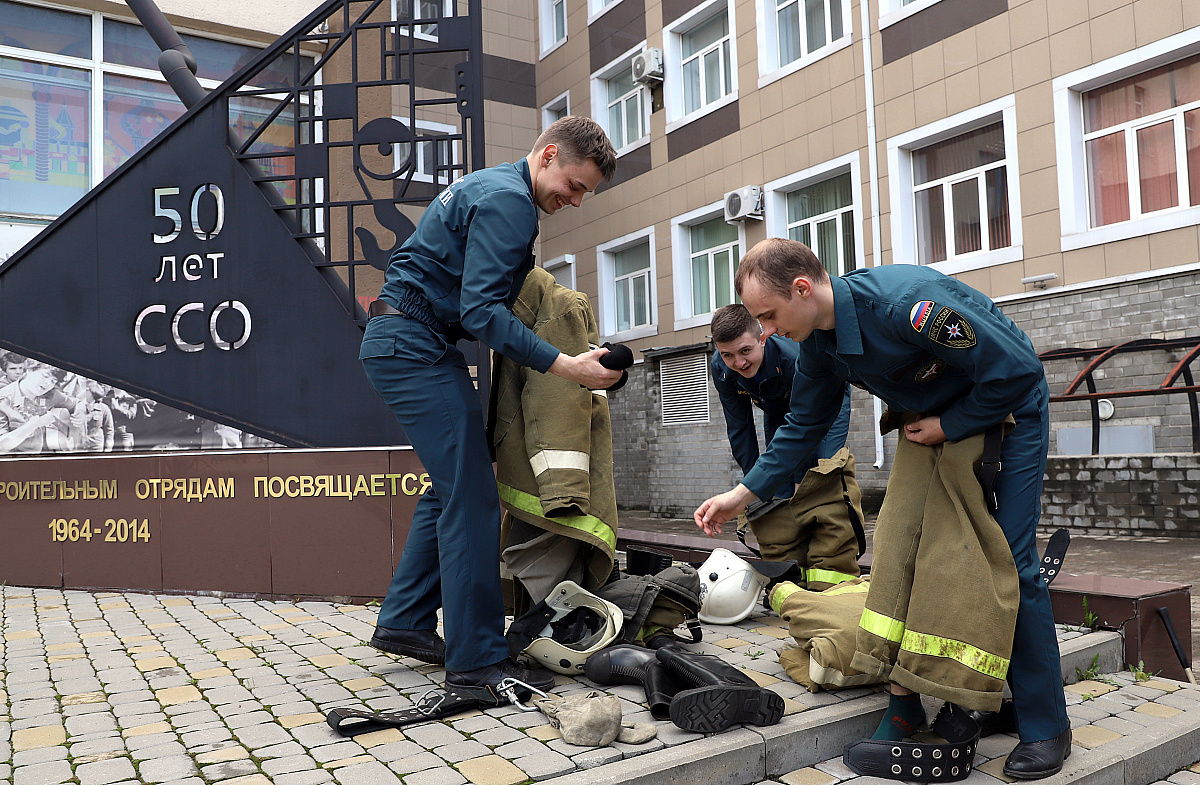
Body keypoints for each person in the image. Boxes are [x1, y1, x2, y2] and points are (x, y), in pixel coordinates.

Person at [694, 238, 1070, 780]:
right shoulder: (821, 347)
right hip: (939, 425)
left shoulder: (905, 306)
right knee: (937, 559)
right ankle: (985, 699)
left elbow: (1017, 370)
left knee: (1008, 562)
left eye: (769, 317)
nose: (768, 332)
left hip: (1007, 411)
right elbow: (801, 427)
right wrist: (741, 495)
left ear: (803, 288)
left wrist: (950, 425)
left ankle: (1046, 726)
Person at [360, 116, 621, 699]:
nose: (575, 201)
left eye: (585, 194)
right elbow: (481, 312)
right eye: (574, 185)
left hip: (407, 341)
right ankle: (476, 660)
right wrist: (569, 365)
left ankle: (404, 621)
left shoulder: (492, 186)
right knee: (473, 499)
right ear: (549, 154)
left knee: (453, 487)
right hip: (413, 347)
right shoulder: (512, 202)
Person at [710, 304, 861, 589]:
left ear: (762, 338)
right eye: (727, 354)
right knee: (771, 480)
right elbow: (739, 429)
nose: (739, 363)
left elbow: (806, 427)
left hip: (824, 402)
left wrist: (797, 478)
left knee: (822, 474)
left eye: (745, 351)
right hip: (776, 409)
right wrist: (752, 488)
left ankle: (829, 577)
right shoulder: (722, 369)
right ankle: (788, 571)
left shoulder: (793, 356)